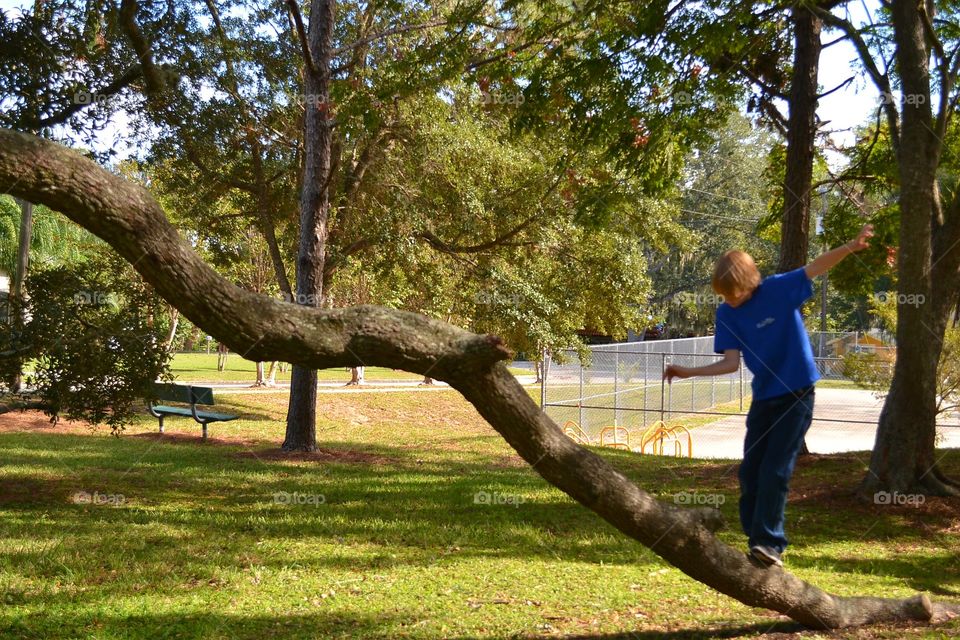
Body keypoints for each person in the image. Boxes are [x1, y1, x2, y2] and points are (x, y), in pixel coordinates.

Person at [663, 224, 874, 567]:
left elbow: (817, 266)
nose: (731, 300)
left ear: (751, 281)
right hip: (764, 398)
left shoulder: (778, 290)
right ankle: (756, 540)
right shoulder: (726, 313)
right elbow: (730, 363)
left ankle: (769, 543)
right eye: (725, 295)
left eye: (736, 293)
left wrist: (851, 246)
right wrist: (687, 372)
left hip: (797, 395)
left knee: (776, 468)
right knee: (750, 471)